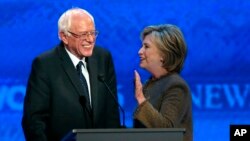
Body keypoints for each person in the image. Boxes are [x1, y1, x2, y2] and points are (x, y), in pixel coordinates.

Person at [22, 7, 120, 141]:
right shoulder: (45, 64)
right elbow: (34, 120)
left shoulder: (103, 58)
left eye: (93, 33)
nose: (90, 39)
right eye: (83, 34)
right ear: (64, 37)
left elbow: (111, 113)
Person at [133, 24, 193, 141]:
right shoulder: (150, 84)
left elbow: (167, 130)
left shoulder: (176, 86)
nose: (140, 51)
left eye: (146, 47)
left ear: (163, 55)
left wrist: (141, 99)